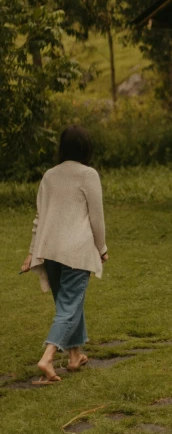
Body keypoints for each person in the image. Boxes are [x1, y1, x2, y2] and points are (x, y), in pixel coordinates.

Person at [20, 126, 108, 385]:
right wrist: (101, 248)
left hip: (50, 251)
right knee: (69, 306)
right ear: (86, 148)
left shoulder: (49, 175)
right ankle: (47, 358)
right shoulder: (88, 174)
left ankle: (75, 355)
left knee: (68, 304)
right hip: (75, 251)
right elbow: (97, 219)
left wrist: (32, 252)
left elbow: (39, 218)